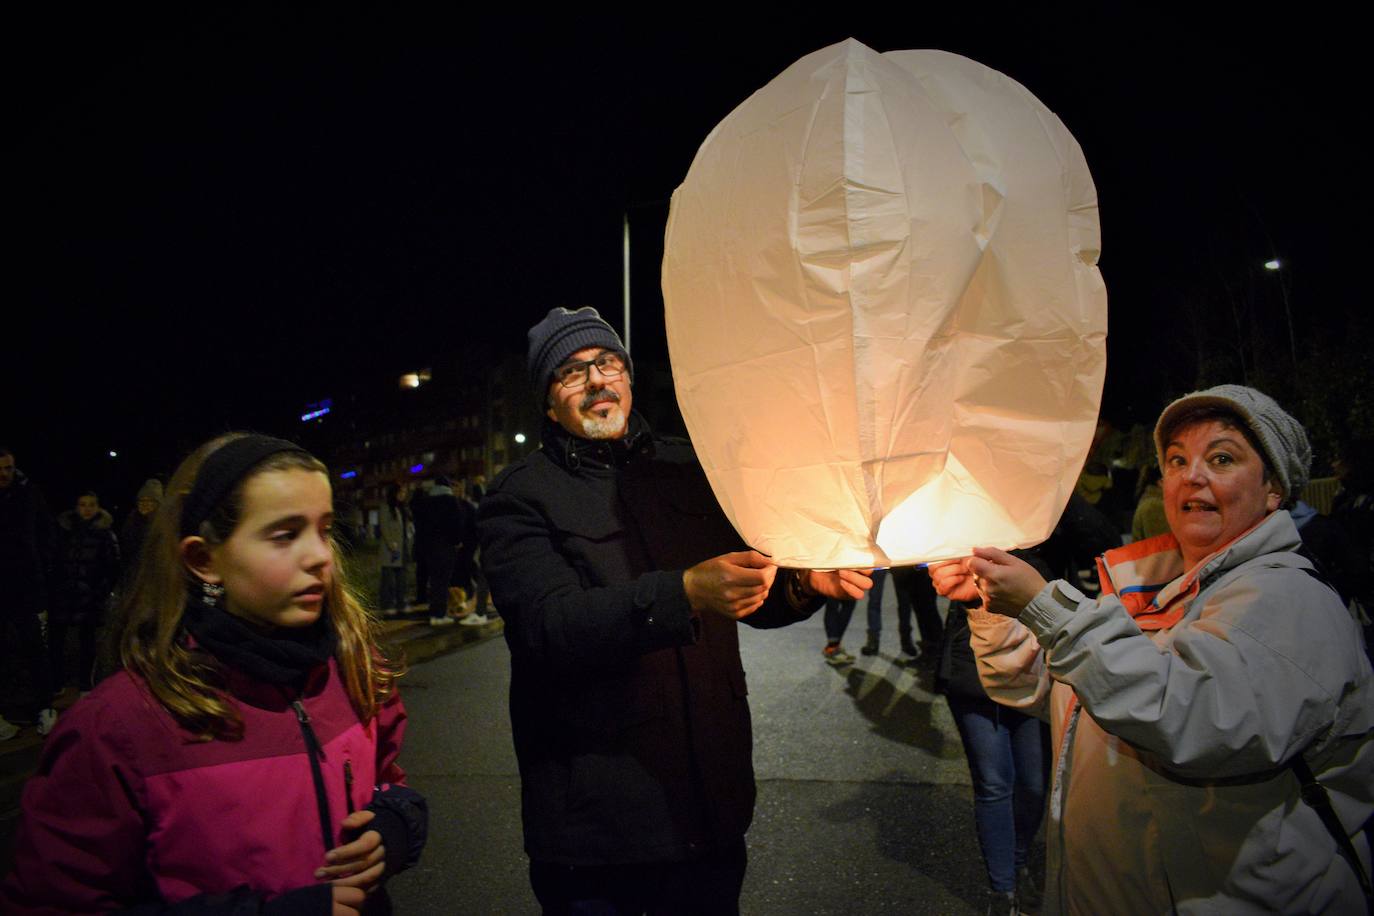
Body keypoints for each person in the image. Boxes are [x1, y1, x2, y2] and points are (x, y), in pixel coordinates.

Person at [479, 307, 871, 915]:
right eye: (571, 372)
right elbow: (547, 629)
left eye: (608, 363)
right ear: (548, 402)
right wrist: (683, 593)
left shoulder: (688, 467)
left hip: (709, 806)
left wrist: (804, 583)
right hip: (597, 828)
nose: (597, 380)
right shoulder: (520, 495)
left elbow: (747, 589)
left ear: (629, 376)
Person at [930, 385, 1374, 914]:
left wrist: (1045, 607)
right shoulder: (1147, 584)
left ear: (1274, 487)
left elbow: (1190, 717)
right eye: (1177, 460)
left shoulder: (1291, 601)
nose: (1193, 476)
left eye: (1223, 458)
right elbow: (1049, 689)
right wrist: (992, 607)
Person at [0, 433, 427, 914]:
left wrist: (395, 821)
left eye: (324, 529)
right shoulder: (117, 727)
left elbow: (386, 778)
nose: (320, 556)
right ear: (204, 560)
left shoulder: (351, 669)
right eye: (285, 534)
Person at [0, 446, 57, 740]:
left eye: (8, 468)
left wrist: (41, 568)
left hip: (25, 585)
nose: (4, 475)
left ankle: (44, 708)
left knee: (35, 647)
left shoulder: (29, 494)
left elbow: (46, 531)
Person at [49, 490, 120, 701]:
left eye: (91, 504)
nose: (87, 509)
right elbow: (54, 559)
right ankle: (57, 681)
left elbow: (113, 566)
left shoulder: (105, 533)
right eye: (83, 504)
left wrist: (100, 591)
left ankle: (85, 683)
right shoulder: (64, 530)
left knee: (87, 642)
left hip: (90, 598)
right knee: (57, 641)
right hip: (63, 595)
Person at [119, 477, 163, 575]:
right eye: (142, 501)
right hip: (132, 574)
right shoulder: (130, 522)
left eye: (150, 501)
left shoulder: (163, 526)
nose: (145, 504)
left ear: (157, 504)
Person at [378, 482, 406, 617]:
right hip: (390, 549)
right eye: (401, 493)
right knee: (388, 579)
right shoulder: (385, 507)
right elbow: (384, 527)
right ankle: (387, 604)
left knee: (400, 578)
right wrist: (391, 544)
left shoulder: (399, 508)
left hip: (400, 548)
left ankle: (400, 603)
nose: (403, 495)